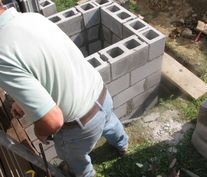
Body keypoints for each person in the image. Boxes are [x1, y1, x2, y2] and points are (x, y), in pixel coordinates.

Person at [0, 3, 128, 177]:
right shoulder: (31, 18)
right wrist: (21, 101)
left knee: (74, 159)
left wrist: (41, 133)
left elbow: (53, 121)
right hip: (101, 95)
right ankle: (122, 145)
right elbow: (44, 66)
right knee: (110, 123)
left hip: (80, 126)